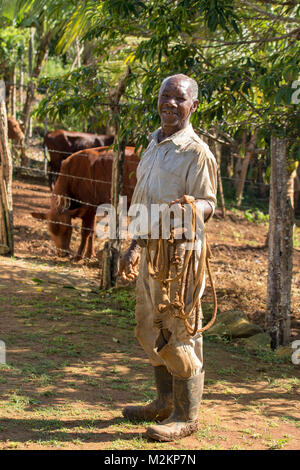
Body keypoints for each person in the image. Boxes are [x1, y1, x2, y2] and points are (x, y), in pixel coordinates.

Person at [119, 73, 217, 441]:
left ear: (193, 106)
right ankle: (162, 402)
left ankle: (186, 415)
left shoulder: (197, 152)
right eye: (165, 96)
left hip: (181, 258)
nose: (170, 104)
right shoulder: (153, 145)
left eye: (179, 99)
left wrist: (191, 209)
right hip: (150, 253)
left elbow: (209, 202)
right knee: (148, 326)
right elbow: (144, 202)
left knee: (180, 331)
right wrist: (132, 247)